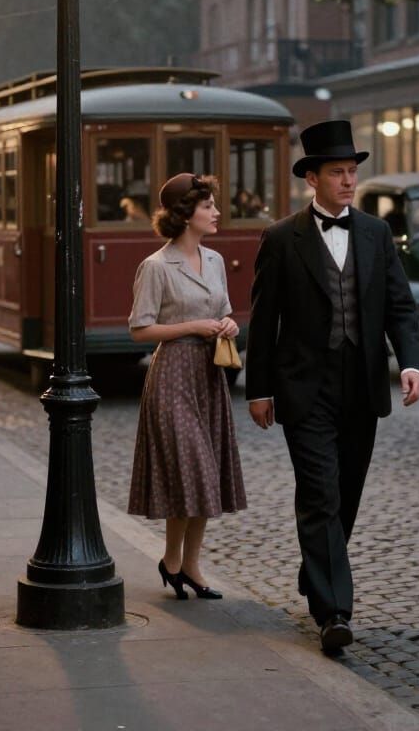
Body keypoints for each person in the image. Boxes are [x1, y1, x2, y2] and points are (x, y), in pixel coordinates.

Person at [246, 119, 419, 654]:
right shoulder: (281, 239)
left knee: (346, 493)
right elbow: (263, 318)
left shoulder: (375, 234)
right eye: (337, 172)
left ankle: (317, 570)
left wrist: (411, 362)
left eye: (352, 172)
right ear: (313, 179)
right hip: (303, 389)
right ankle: (334, 613)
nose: (348, 181)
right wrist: (259, 389)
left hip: (362, 385)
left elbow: (400, 305)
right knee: (320, 494)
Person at [127, 172, 247, 600]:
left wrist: (228, 323)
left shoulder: (214, 261)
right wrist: (191, 326)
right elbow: (139, 330)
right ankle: (173, 559)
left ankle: (185, 565)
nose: (216, 212)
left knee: (206, 474)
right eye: (208, 206)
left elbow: (225, 310)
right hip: (173, 376)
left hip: (209, 376)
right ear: (185, 214)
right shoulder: (156, 266)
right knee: (190, 470)